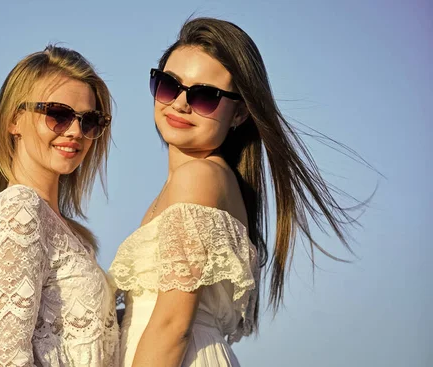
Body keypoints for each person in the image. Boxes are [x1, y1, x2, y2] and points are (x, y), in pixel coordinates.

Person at [109, 17, 363, 367]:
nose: (180, 104)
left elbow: (172, 326)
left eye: (205, 96)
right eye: (169, 85)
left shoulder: (198, 178)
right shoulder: (196, 181)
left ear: (240, 112)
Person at [0, 45, 118, 367]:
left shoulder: (64, 230)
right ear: (14, 120)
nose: (75, 132)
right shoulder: (19, 210)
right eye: (58, 114)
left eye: (90, 120)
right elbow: (9, 360)